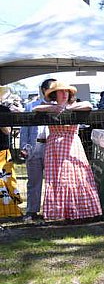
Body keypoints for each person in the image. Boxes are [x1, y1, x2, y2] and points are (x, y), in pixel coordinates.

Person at [33, 81, 102, 221]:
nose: (64, 94)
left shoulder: (75, 105)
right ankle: (59, 212)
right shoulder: (50, 107)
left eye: (66, 92)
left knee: (78, 176)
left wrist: (68, 107)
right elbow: (36, 108)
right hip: (54, 147)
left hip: (72, 145)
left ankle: (81, 211)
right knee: (58, 179)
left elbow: (88, 105)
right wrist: (54, 108)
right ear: (54, 94)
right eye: (60, 91)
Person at [19, 78, 56, 221]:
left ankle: (51, 210)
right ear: (44, 90)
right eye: (51, 89)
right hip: (34, 147)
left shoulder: (58, 106)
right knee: (34, 181)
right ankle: (32, 211)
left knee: (53, 181)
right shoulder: (30, 106)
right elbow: (24, 129)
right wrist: (24, 147)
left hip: (52, 147)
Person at [0, 101, 23, 218]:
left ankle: (9, 211)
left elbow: (7, 131)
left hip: (2, 152)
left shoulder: (4, 110)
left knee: (6, 182)